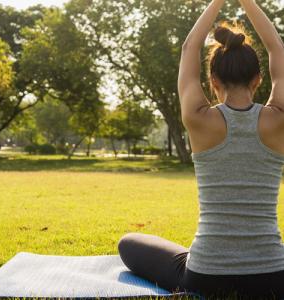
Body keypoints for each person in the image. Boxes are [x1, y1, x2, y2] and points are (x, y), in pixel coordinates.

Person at [117, 0, 284, 299]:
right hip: (273, 276)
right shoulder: (278, 118)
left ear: (213, 80)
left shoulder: (198, 117)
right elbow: (277, 50)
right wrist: (247, 1)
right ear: (259, 80)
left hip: (205, 275)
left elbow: (189, 48)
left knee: (128, 243)